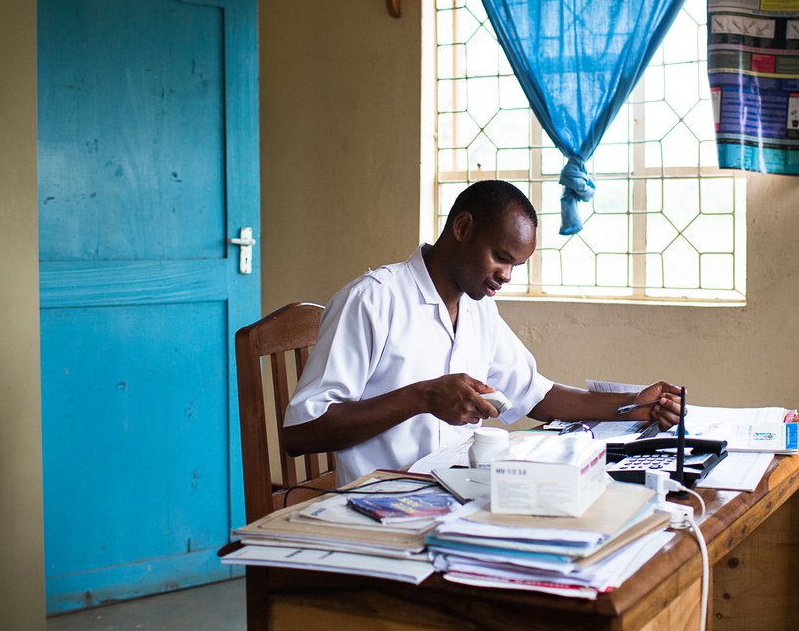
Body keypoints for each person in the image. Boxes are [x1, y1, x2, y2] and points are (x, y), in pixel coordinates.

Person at [282, 180, 683, 484]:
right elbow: (300, 435)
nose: (505, 276)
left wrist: (633, 403)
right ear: (463, 227)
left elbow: (537, 397)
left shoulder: (478, 310)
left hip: (457, 496)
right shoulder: (373, 300)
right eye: (501, 258)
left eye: (515, 266)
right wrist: (422, 397)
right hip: (382, 506)